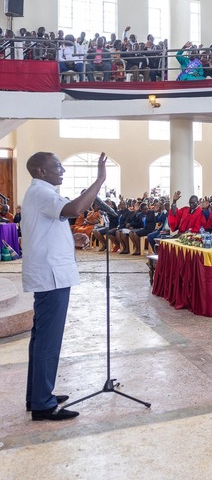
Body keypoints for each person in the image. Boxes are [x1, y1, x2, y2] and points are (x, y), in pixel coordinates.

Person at [22, 151, 108, 421]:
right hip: (51, 277)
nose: (63, 171)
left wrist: (72, 240)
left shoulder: (40, 193)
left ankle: (36, 395)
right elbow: (74, 210)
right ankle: (42, 404)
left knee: (41, 339)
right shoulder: (41, 192)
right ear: (41, 170)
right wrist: (99, 180)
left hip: (50, 273)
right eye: (57, 166)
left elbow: (51, 228)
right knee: (48, 341)